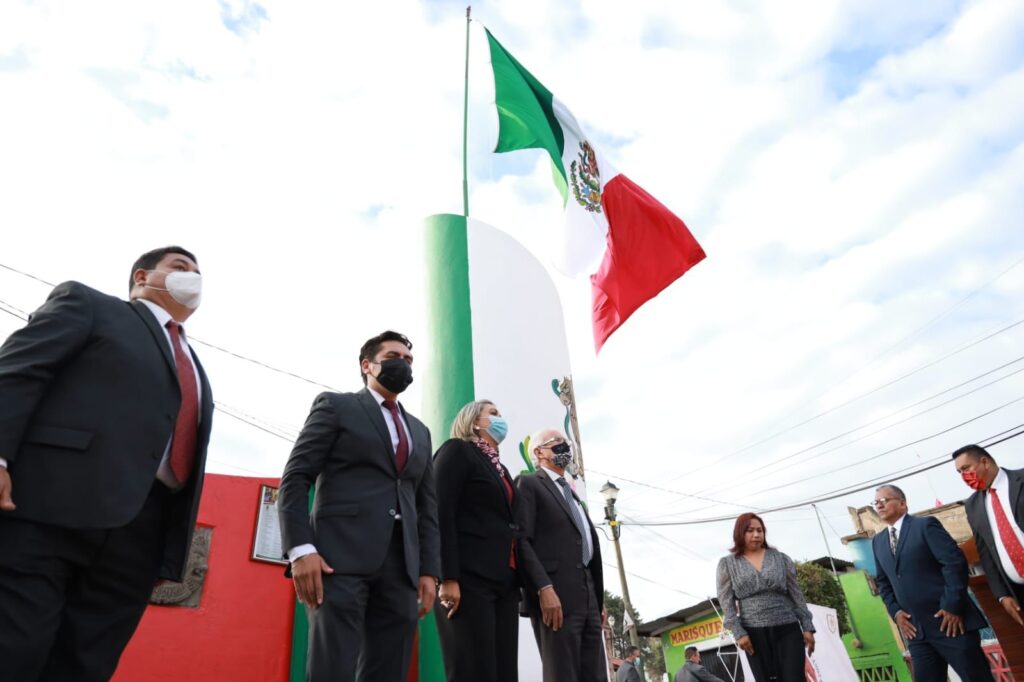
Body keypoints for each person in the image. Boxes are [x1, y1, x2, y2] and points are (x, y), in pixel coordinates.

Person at [0, 246, 213, 681]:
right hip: (50, 506)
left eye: (198, 272)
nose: (192, 277)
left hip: (140, 535)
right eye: (180, 267)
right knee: (15, 646)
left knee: (86, 664)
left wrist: (167, 551)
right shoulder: (91, 305)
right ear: (142, 277)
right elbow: (19, 371)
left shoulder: (196, 365)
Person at [277, 331, 440, 682]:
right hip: (338, 560)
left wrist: (429, 570)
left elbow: (427, 507)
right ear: (367, 365)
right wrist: (300, 549)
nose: (403, 364)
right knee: (332, 667)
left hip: (402, 568)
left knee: (390, 670)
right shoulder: (337, 407)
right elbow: (296, 477)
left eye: (409, 360)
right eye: (394, 356)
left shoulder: (420, 431)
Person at [433, 399, 520, 682]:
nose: (500, 418)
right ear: (474, 422)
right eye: (493, 413)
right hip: (467, 580)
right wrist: (447, 577)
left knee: (504, 672)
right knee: (472, 669)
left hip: (504, 583)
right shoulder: (457, 451)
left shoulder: (501, 470)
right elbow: (440, 511)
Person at [870, 484, 993, 682]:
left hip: (950, 624)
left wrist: (951, 606)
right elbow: (884, 583)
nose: (879, 506)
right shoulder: (878, 542)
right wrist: (896, 612)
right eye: (876, 502)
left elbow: (954, 563)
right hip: (916, 632)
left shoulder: (925, 526)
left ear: (902, 503)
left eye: (884, 500)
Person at [515, 428, 604, 682]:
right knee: (562, 673)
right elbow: (521, 541)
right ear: (538, 452)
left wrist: (598, 602)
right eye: (557, 442)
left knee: (596, 674)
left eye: (566, 442)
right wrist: (543, 588)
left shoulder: (571, 494)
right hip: (555, 598)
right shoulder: (529, 484)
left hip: (588, 599)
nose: (565, 446)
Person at [716, 512, 815, 682]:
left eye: (760, 530)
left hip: (788, 629)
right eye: (750, 531)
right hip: (753, 635)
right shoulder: (728, 564)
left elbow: (796, 594)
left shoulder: (781, 559)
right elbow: (726, 601)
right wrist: (738, 632)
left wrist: (807, 626)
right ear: (739, 533)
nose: (756, 534)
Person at [953, 444, 1024, 628]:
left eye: (966, 468)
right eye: (959, 472)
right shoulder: (973, 505)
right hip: (1019, 592)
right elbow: (985, 552)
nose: (963, 476)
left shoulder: (1021, 479)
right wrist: (1002, 595)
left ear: (984, 462)